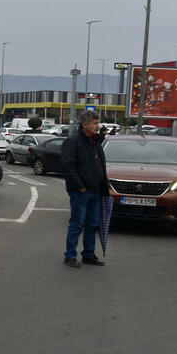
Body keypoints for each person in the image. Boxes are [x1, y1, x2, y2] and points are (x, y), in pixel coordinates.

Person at [60, 110, 107, 268]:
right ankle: (70, 255)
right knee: (77, 224)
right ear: (85, 124)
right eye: (94, 123)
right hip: (81, 192)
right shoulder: (73, 141)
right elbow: (68, 166)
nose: (97, 126)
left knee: (92, 225)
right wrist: (80, 187)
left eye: (97, 123)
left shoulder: (94, 141)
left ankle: (88, 254)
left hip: (95, 191)